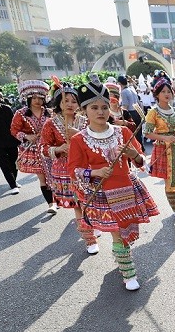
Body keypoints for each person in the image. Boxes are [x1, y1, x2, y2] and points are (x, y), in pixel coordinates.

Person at [68, 78, 159, 290]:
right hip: (103, 193)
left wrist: (133, 153)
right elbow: (74, 171)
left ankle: (122, 257)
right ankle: (129, 274)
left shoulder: (123, 132)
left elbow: (142, 162)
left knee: (125, 231)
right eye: (94, 107)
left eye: (104, 107)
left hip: (127, 189)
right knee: (117, 232)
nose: (100, 111)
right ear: (83, 111)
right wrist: (95, 172)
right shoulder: (79, 140)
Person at [40, 80, 98, 253]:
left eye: (74, 101)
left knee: (91, 201)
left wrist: (79, 136)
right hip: (65, 170)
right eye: (66, 101)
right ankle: (89, 239)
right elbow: (43, 148)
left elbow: (95, 140)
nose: (70, 105)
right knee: (79, 205)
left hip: (86, 167)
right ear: (59, 103)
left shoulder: (85, 121)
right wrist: (58, 148)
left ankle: (93, 225)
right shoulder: (50, 124)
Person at [144, 77, 175, 220]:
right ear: (157, 94)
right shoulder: (153, 112)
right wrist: (164, 138)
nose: (166, 94)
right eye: (163, 91)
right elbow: (147, 133)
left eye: (169, 91)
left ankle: (173, 199)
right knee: (170, 181)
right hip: (163, 149)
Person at [11, 80, 56, 212]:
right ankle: (51, 203)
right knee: (43, 178)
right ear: (28, 98)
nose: (37, 100)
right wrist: (26, 136)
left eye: (40, 98)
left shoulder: (49, 112)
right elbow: (14, 130)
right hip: (34, 150)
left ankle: (58, 198)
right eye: (34, 98)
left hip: (50, 148)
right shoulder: (21, 113)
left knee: (55, 174)